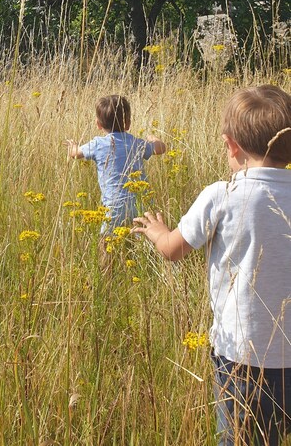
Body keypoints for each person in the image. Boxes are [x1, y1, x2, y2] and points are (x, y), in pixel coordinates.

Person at [132, 84, 291, 446]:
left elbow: (173, 250)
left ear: (231, 144)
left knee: (240, 439)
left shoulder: (224, 194)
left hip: (241, 357)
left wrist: (158, 231)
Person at [66, 94, 166, 229]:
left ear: (98, 124)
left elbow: (75, 154)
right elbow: (161, 148)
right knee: (140, 240)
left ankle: (104, 251)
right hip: (140, 202)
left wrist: (73, 146)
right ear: (128, 123)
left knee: (106, 241)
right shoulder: (136, 143)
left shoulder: (97, 144)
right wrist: (153, 138)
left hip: (114, 205)